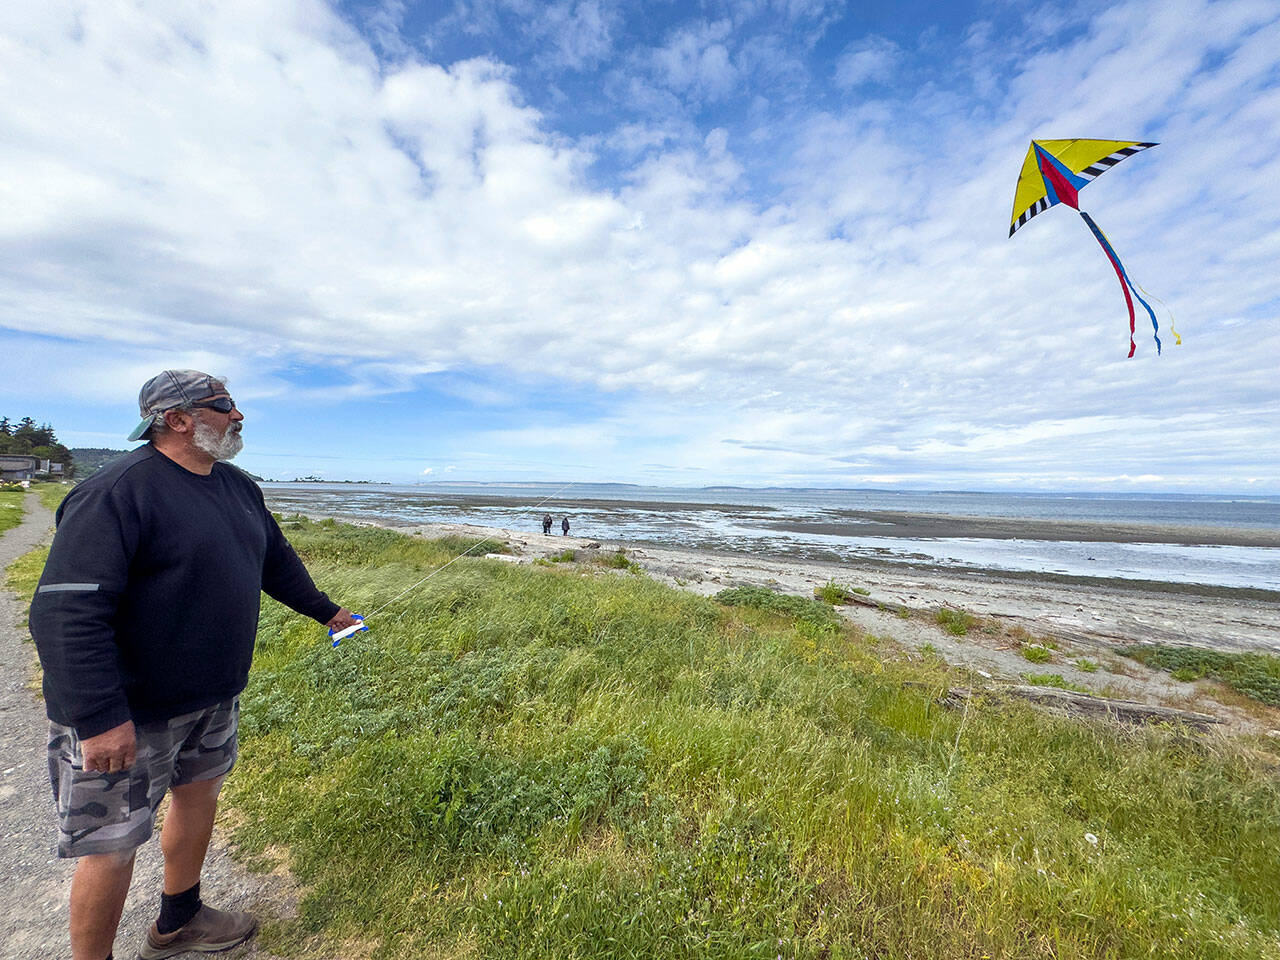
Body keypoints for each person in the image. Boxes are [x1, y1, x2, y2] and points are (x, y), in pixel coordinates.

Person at [29, 370, 359, 960]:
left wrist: (326, 611)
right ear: (176, 419)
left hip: (211, 696)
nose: (238, 416)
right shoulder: (116, 493)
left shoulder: (235, 486)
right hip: (130, 711)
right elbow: (64, 613)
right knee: (110, 843)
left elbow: (274, 561)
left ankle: (179, 918)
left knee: (199, 795)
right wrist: (100, 716)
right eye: (224, 406)